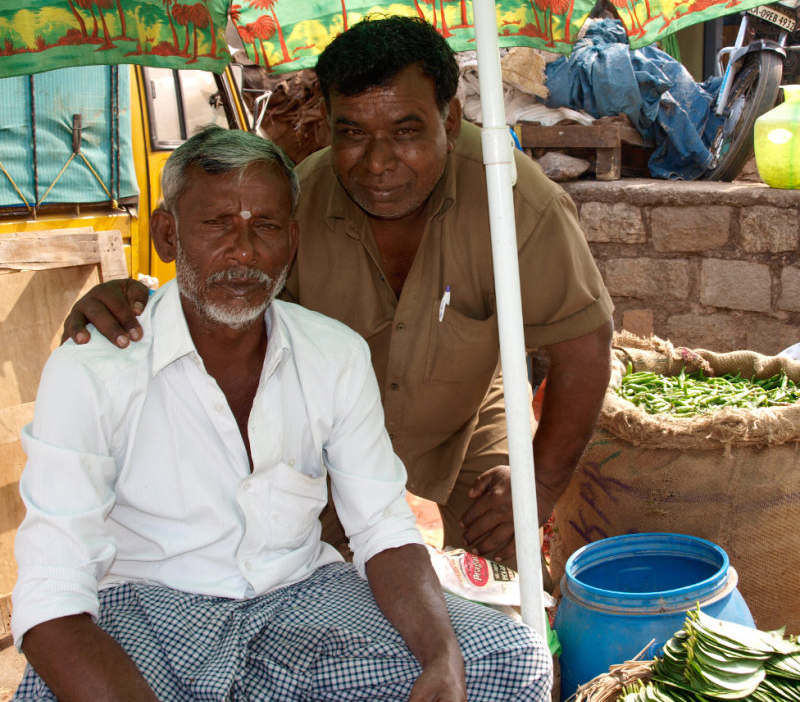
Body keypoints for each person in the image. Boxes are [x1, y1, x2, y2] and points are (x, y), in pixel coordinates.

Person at [12, 128, 551, 701]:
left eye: (265, 226)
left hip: (300, 598)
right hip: (147, 605)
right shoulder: (94, 369)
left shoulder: (334, 354)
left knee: (507, 658)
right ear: (167, 234)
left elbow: (382, 527)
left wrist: (442, 656)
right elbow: (53, 587)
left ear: (291, 242)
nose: (243, 250)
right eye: (217, 223)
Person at [63, 15, 614, 569]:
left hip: (466, 418)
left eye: (406, 131)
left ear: (449, 119)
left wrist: (537, 486)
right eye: (352, 133)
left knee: (506, 566)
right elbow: (222, 295)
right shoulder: (296, 204)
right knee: (308, 577)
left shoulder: (516, 201)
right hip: (326, 443)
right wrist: (135, 301)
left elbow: (583, 350)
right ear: (326, 123)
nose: (377, 163)